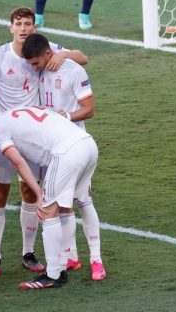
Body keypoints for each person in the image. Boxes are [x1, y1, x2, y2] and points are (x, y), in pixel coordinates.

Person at [0, 6, 88, 278]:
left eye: (28, 23)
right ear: (10, 27)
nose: (23, 28)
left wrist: (63, 55)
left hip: (34, 136)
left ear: (34, 28)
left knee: (29, 191)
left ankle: (28, 253)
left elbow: (83, 58)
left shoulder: (44, 48)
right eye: (18, 24)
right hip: (4, 132)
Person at [22, 33, 105, 281]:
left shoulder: (72, 71)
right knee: (61, 203)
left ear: (48, 54)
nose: (33, 69)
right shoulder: (40, 68)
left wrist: (65, 117)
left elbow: (89, 109)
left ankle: (97, 261)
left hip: (75, 145)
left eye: (36, 63)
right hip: (50, 149)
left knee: (83, 201)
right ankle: (71, 256)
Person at [0, 106, 99, 289]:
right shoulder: (18, 111)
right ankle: (63, 265)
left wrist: (38, 192)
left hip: (67, 151)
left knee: (47, 212)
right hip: (88, 144)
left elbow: (18, 161)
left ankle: (53, 274)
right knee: (65, 207)